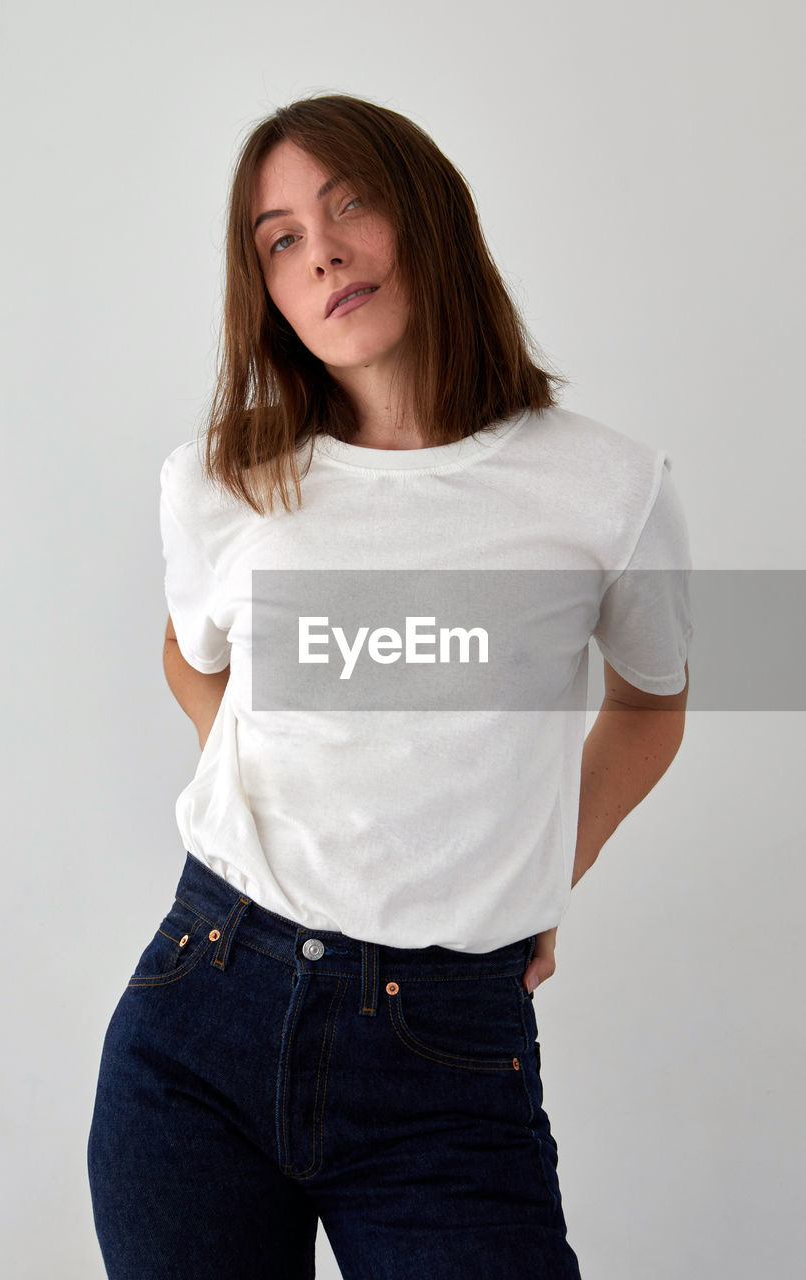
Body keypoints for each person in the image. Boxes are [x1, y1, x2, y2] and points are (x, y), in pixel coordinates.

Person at [87, 93, 692, 1280]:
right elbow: (188, 655)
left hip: (449, 1052)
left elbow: (650, 702)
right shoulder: (226, 477)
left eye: (349, 201)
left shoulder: (605, 489)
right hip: (201, 1008)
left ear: (427, 214)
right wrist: (255, 772)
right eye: (278, 237)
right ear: (265, 288)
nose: (320, 248)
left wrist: (530, 860)